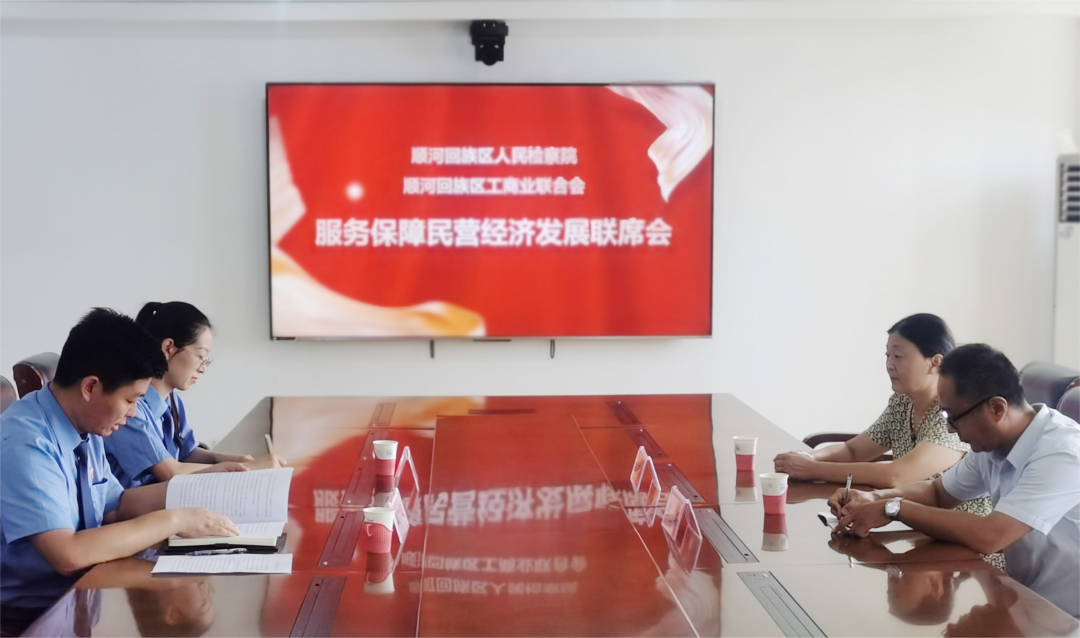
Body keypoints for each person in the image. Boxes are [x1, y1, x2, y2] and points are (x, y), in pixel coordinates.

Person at [0, 308, 240, 632]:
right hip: (34, 617)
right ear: (91, 387)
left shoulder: (85, 425)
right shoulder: (26, 442)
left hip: (85, 593)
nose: (133, 413)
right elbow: (67, 553)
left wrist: (213, 488)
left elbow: (116, 506)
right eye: (130, 400)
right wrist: (175, 520)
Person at [832, 344, 1080, 617]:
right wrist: (874, 498)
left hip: (1067, 618)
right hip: (1024, 601)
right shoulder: (994, 443)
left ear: (996, 408)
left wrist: (895, 508)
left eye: (953, 417)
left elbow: (990, 536)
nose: (950, 429)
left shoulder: (1062, 454)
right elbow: (939, 493)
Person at [775, 315, 989, 517]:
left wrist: (813, 470)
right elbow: (853, 450)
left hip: (958, 530)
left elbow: (896, 476)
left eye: (898, 356)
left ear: (935, 362)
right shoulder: (903, 402)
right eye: (887, 355)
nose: (889, 364)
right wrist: (809, 458)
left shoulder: (952, 412)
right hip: (910, 519)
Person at [104, 301, 285, 488]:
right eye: (200, 356)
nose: (203, 369)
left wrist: (230, 459)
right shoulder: (130, 407)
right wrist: (248, 468)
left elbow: (186, 452)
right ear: (168, 348)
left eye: (207, 360)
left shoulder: (172, 401)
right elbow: (170, 472)